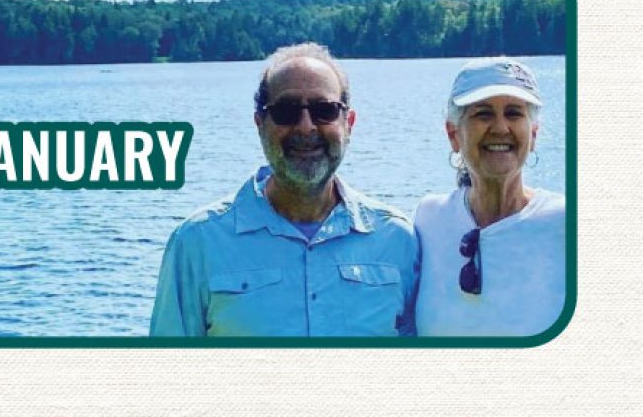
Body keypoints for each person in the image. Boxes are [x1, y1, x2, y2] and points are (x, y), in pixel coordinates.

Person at [150, 43, 419, 337]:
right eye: (286, 112)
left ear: (349, 123)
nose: (306, 128)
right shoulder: (197, 242)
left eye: (324, 110)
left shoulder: (397, 240)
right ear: (260, 124)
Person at [414, 57, 566, 336]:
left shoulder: (566, 222)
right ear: (453, 134)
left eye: (514, 113)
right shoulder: (428, 218)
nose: (499, 128)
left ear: (533, 134)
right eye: (483, 114)